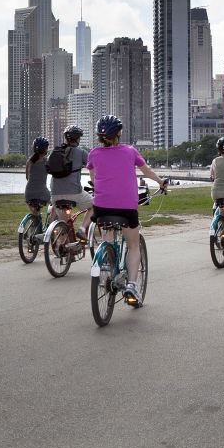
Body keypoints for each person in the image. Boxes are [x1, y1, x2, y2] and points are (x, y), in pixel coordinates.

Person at [87, 115, 167, 306]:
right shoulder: (130, 151)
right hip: (126, 208)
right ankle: (131, 284)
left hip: (101, 207)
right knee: (133, 245)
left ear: (99, 136)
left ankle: (107, 257)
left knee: (107, 231)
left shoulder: (93, 154)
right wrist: (160, 182)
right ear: (119, 133)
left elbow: (93, 177)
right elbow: (146, 172)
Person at [50, 125, 93, 239]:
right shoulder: (81, 152)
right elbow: (94, 166)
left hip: (55, 193)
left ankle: (61, 245)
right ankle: (82, 229)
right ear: (78, 139)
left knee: (63, 222)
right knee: (95, 205)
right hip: (74, 192)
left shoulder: (56, 151)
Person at [25, 137, 51, 215]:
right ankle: (51, 222)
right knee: (56, 202)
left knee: (36, 214)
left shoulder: (29, 161)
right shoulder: (46, 161)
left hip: (28, 193)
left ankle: (35, 221)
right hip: (42, 192)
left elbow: (27, 177)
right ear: (46, 149)